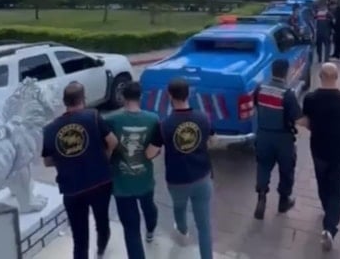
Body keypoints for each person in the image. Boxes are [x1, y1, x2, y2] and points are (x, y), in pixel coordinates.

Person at [42, 82, 119, 259]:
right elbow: (113, 142)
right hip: (99, 182)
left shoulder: (50, 129)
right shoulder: (93, 116)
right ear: (83, 98)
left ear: (64, 102)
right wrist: (104, 158)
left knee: (79, 238)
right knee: (102, 221)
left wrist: (66, 158)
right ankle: (101, 249)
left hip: (72, 189)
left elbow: (47, 161)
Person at [146, 78, 214, 259]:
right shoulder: (203, 118)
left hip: (177, 180)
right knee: (204, 226)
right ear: (188, 94)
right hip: (202, 177)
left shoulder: (164, 125)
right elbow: (210, 140)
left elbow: (150, 153)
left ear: (169, 95)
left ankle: (182, 231)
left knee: (179, 207)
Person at [297, 63, 340, 251]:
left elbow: (306, 121)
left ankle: (327, 210)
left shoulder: (310, 99)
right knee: (338, 190)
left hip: (318, 150)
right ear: (336, 77)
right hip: (339, 152)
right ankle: (330, 227)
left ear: (321, 76)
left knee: (322, 182)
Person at [103, 81, 159, 259]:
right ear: (140, 97)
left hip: (121, 183)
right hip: (145, 179)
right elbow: (155, 150)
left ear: (123, 97)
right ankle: (150, 230)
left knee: (131, 229)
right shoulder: (153, 119)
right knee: (149, 209)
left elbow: (105, 148)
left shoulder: (111, 120)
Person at [253, 59, 301, 220]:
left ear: (272, 70)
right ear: (286, 72)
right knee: (286, 170)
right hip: (283, 138)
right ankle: (283, 201)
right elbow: (297, 117)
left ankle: (261, 197)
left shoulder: (260, 89)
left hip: (263, 135)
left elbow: (256, 105)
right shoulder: (287, 94)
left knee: (263, 166)